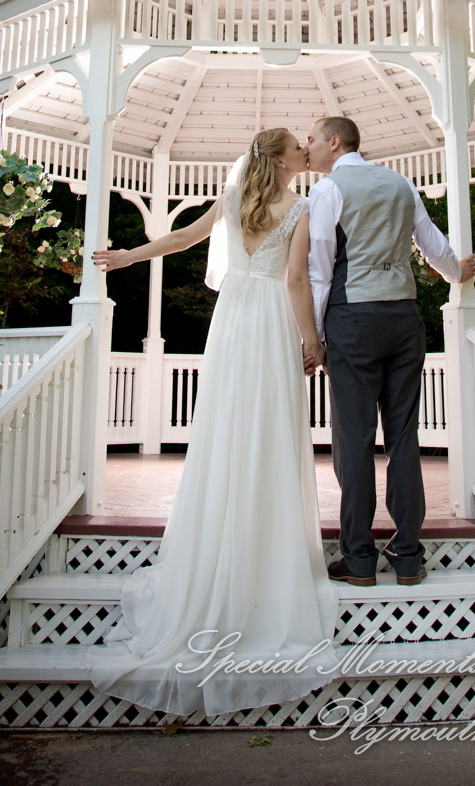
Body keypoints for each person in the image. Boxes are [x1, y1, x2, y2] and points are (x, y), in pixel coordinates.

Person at [87, 128, 338, 716]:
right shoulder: (298, 208)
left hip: (231, 322)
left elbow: (178, 239)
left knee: (227, 432)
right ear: (281, 162)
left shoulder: (232, 202)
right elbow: (297, 281)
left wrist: (128, 257)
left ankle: (225, 547)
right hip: (272, 318)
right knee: (270, 435)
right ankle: (265, 557)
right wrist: (314, 343)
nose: (307, 153)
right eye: (299, 150)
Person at [305, 115, 475, 588]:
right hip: (404, 318)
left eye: (313, 141)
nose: (308, 149)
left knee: (354, 441)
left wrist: (315, 338)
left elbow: (319, 270)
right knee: (403, 436)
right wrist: (455, 275)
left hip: (353, 319)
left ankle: (359, 558)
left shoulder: (327, 191)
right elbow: (434, 246)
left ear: (335, 142)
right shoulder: (401, 182)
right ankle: (407, 556)